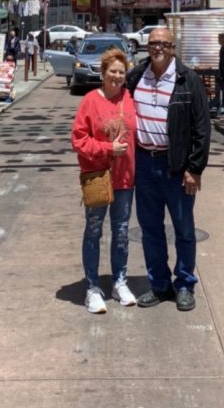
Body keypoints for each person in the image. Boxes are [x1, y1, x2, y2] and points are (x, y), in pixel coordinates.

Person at [126, 26, 211, 312]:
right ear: (147, 47)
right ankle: (160, 284)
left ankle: (185, 284)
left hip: (176, 167)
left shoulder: (188, 80)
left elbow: (201, 127)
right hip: (144, 164)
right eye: (153, 43)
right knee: (150, 229)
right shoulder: (136, 76)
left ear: (173, 47)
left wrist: (194, 168)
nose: (157, 48)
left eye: (163, 43)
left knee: (184, 228)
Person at [71, 48, 137, 314]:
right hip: (98, 176)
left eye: (121, 72)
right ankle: (92, 286)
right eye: (112, 72)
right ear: (103, 72)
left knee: (121, 232)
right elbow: (79, 140)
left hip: (125, 178)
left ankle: (119, 281)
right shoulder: (90, 101)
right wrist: (107, 149)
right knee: (94, 230)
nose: (117, 77)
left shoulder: (131, 98)